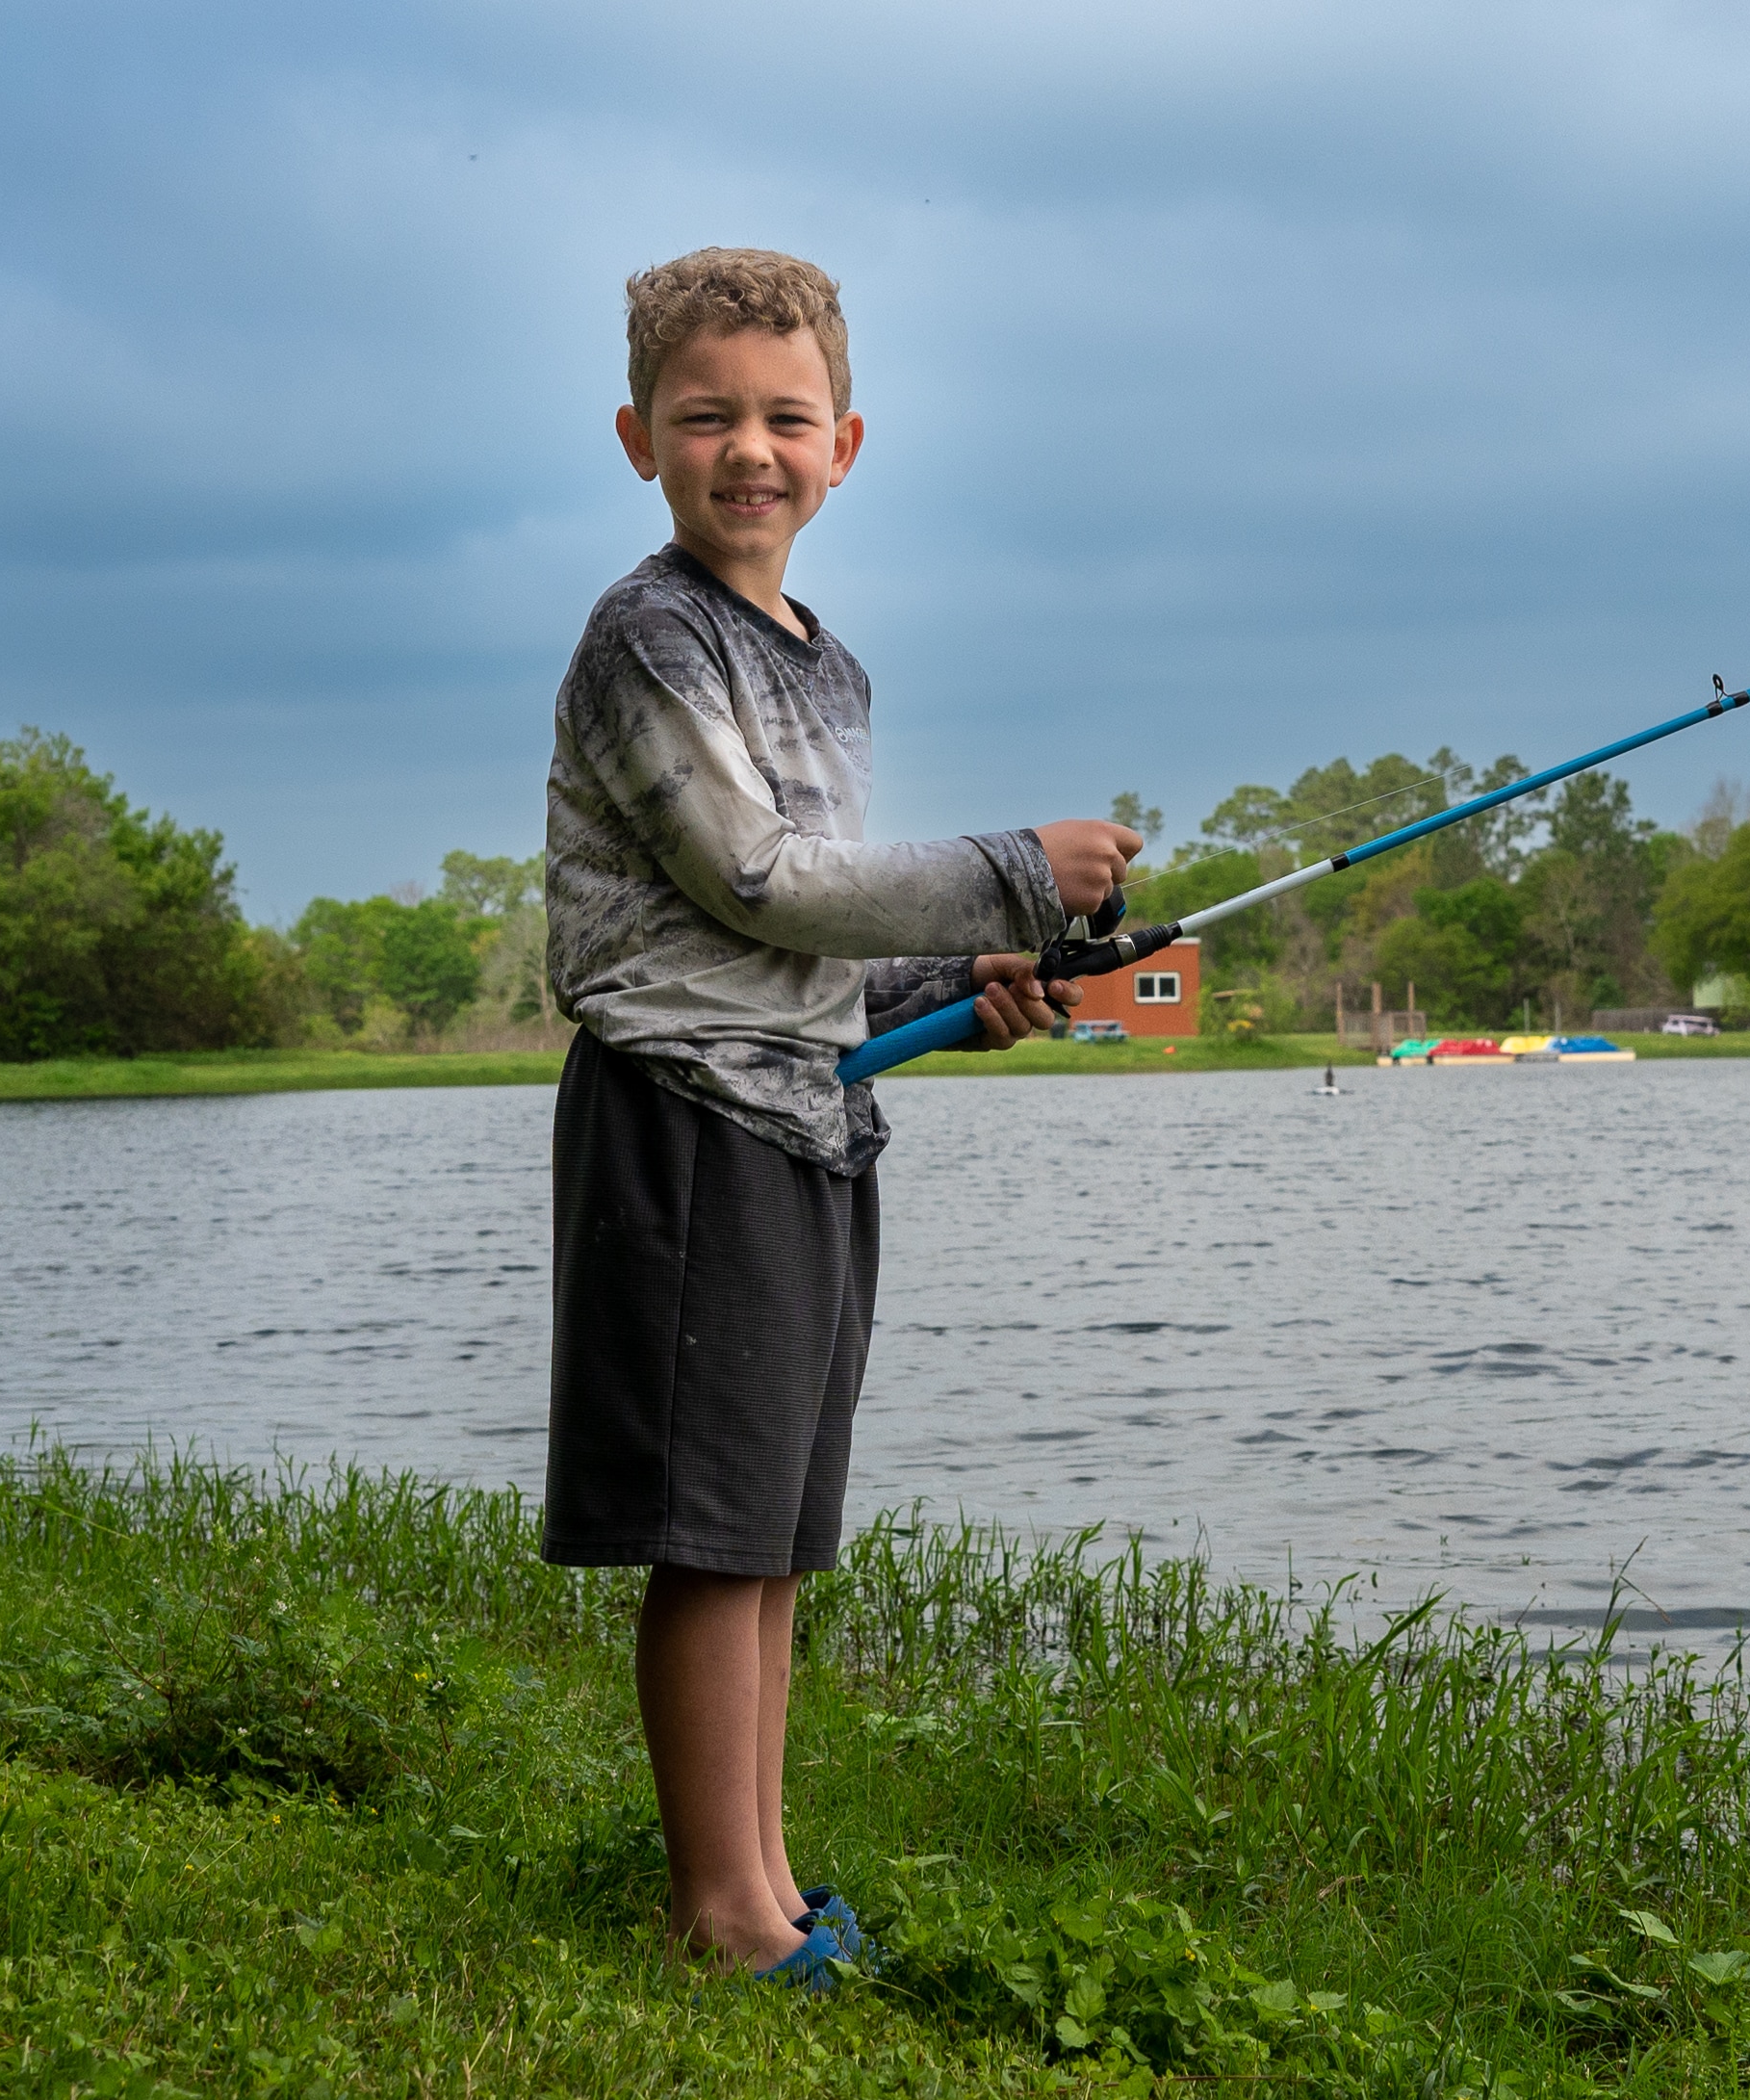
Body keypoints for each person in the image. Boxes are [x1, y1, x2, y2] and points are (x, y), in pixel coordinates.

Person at [539, 246, 1139, 1987]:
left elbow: (807, 948)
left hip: (800, 1120)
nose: (749, 449)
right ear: (638, 433)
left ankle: (770, 1881)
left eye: (785, 416)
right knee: (713, 1534)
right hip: (684, 1117)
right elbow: (756, 877)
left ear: (848, 443)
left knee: (778, 1533)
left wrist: (967, 974)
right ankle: (720, 1915)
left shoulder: (831, 668)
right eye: (707, 414)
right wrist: (1012, 867)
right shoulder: (648, 633)